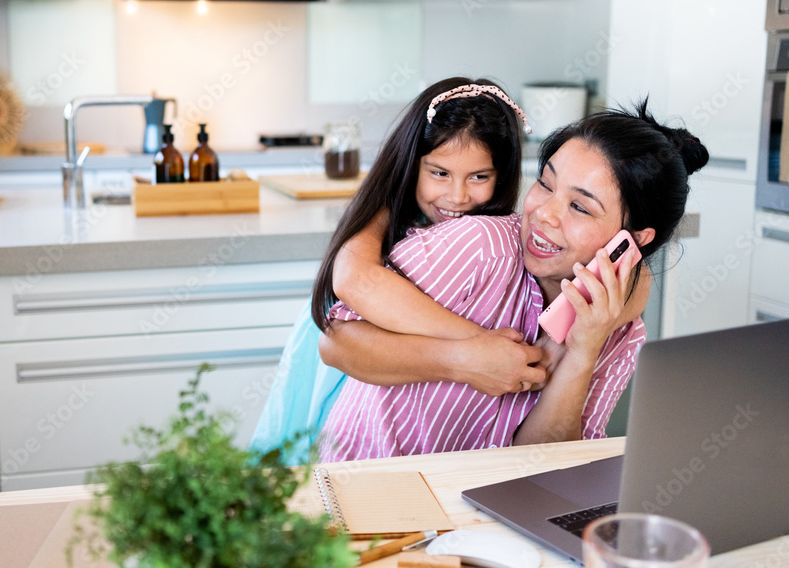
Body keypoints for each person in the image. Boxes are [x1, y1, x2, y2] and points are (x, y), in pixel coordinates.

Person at [318, 99, 707, 462]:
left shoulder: (616, 327)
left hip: (472, 519)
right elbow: (337, 341)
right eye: (545, 184)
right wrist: (463, 358)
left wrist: (581, 352)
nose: (543, 214)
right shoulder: (479, 246)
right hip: (365, 496)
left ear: (634, 240)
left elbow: (544, 463)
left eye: (579, 206)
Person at [251, 77, 593, 463]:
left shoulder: (502, 239)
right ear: (412, 163)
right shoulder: (386, 219)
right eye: (439, 173)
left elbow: (636, 282)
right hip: (349, 393)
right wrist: (477, 346)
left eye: (479, 177)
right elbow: (354, 286)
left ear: (503, 174)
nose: (458, 196)